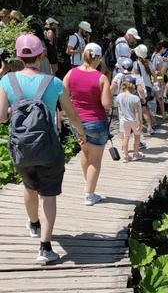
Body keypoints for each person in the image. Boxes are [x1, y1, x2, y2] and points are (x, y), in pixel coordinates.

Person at [0, 34, 85, 263]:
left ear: (18, 56)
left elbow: (1, 117)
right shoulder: (54, 82)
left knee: (28, 186)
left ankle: (34, 224)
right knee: (48, 195)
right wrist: (81, 133)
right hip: (49, 147)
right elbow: (71, 115)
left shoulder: (7, 81)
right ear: (42, 54)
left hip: (20, 147)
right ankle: (45, 248)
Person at [63, 43, 112, 206]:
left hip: (77, 122)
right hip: (96, 122)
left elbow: (63, 96)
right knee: (95, 160)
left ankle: (88, 185)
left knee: (85, 153)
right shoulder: (101, 78)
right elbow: (106, 104)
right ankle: (90, 194)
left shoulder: (71, 73)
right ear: (97, 58)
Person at [116, 76, 143, 162]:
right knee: (137, 136)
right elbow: (136, 111)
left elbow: (120, 109)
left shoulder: (119, 96)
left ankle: (126, 156)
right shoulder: (135, 98)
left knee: (126, 137)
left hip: (124, 120)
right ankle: (135, 154)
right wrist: (139, 122)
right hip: (133, 120)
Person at [133, 44, 156, 135]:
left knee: (142, 109)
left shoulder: (135, 64)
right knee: (146, 107)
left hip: (141, 88)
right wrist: (154, 84)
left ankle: (147, 128)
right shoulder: (148, 63)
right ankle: (150, 126)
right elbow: (154, 75)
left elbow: (135, 77)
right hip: (149, 87)